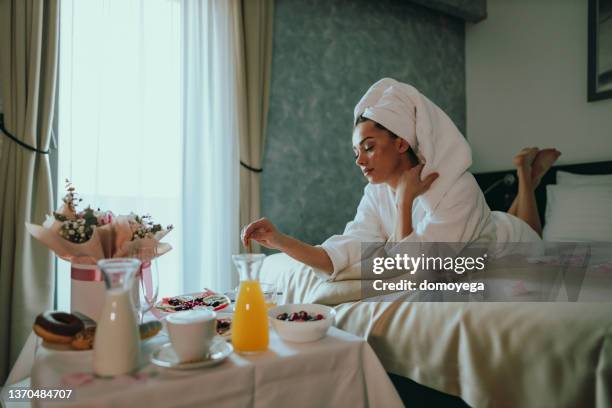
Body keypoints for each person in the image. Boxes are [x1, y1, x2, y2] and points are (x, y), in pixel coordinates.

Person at [241, 78, 560, 278]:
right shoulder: (376, 194)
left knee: (530, 232)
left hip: (507, 243)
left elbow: (422, 273)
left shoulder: (457, 186)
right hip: (486, 224)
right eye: (356, 152)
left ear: (401, 142)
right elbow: (341, 253)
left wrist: (405, 201)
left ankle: (523, 175)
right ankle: (526, 179)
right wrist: (279, 240)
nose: (359, 160)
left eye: (368, 147)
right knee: (502, 217)